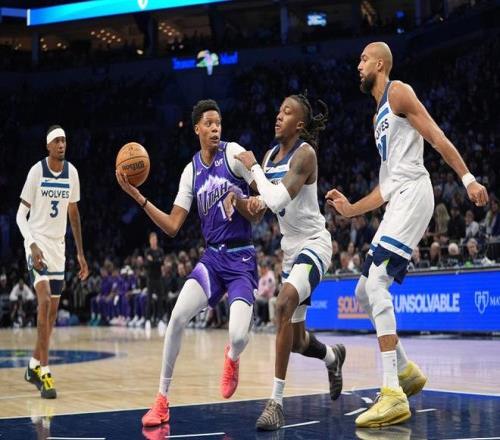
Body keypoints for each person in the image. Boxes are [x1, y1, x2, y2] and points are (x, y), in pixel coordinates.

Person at [326, 42, 488, 428]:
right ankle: (405, 371)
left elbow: (436, 136)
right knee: (363, 291)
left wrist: (467, 178)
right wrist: (350, 209)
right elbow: (385, 187)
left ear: (380, 64)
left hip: (415, 194)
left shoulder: (398, 91)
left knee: (377, 283)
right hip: (397, 198)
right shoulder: (376, 117)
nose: (358, 65)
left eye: (364, 59)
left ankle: (393, 394)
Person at [116, 99, 260, 427]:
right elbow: (172, 226)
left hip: (242, 258)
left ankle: (232, 356)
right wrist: (137, 196)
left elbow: (262, 195)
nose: (215, 128)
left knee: (238, 336)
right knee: (177, 317)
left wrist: (249, 201)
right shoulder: (191, 171)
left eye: (218, 123)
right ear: (197, 129)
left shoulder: (234, 153)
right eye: (208, 124)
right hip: (213, 259)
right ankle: (161, 400)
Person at [232, 93, 346, 431]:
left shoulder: (305, 154)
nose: (279, 116)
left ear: (300, 124)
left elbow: (277, 198)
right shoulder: (270, 157)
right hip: (290, 252)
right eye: (279, 110)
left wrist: (253, 169)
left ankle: (276, 404)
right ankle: (333, 357)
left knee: (282, 304)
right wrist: (237, 201)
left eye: (287, 112)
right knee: (296, 342)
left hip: (314, 245)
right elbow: (260, 209)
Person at [16, 125, 88, 399]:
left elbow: (74, 213)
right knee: (44, 301)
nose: (61, 145)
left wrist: (80, 253)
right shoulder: (36, 172)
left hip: (59, 248)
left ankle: (33, 365)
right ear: (48, 146)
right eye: (56, 141)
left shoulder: (72, 173)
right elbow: (20, 215)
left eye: (64, 140)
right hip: (37, 243)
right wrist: (31, 243)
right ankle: (45, 372)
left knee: (52, 315)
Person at [144, 232, 165, 334]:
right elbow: (148, 263)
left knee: (160, 299)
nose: (154, 241)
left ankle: (160, 319)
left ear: (156, 240)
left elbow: (161, 262)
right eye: (152, 239)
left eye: (155, 239)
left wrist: (154, 261)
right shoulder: (147, 251)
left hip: (159, 277)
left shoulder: (160, 251)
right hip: (150, 278)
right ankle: (147, 320)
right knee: (149, 299)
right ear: (150, 241)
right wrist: (156, 261)